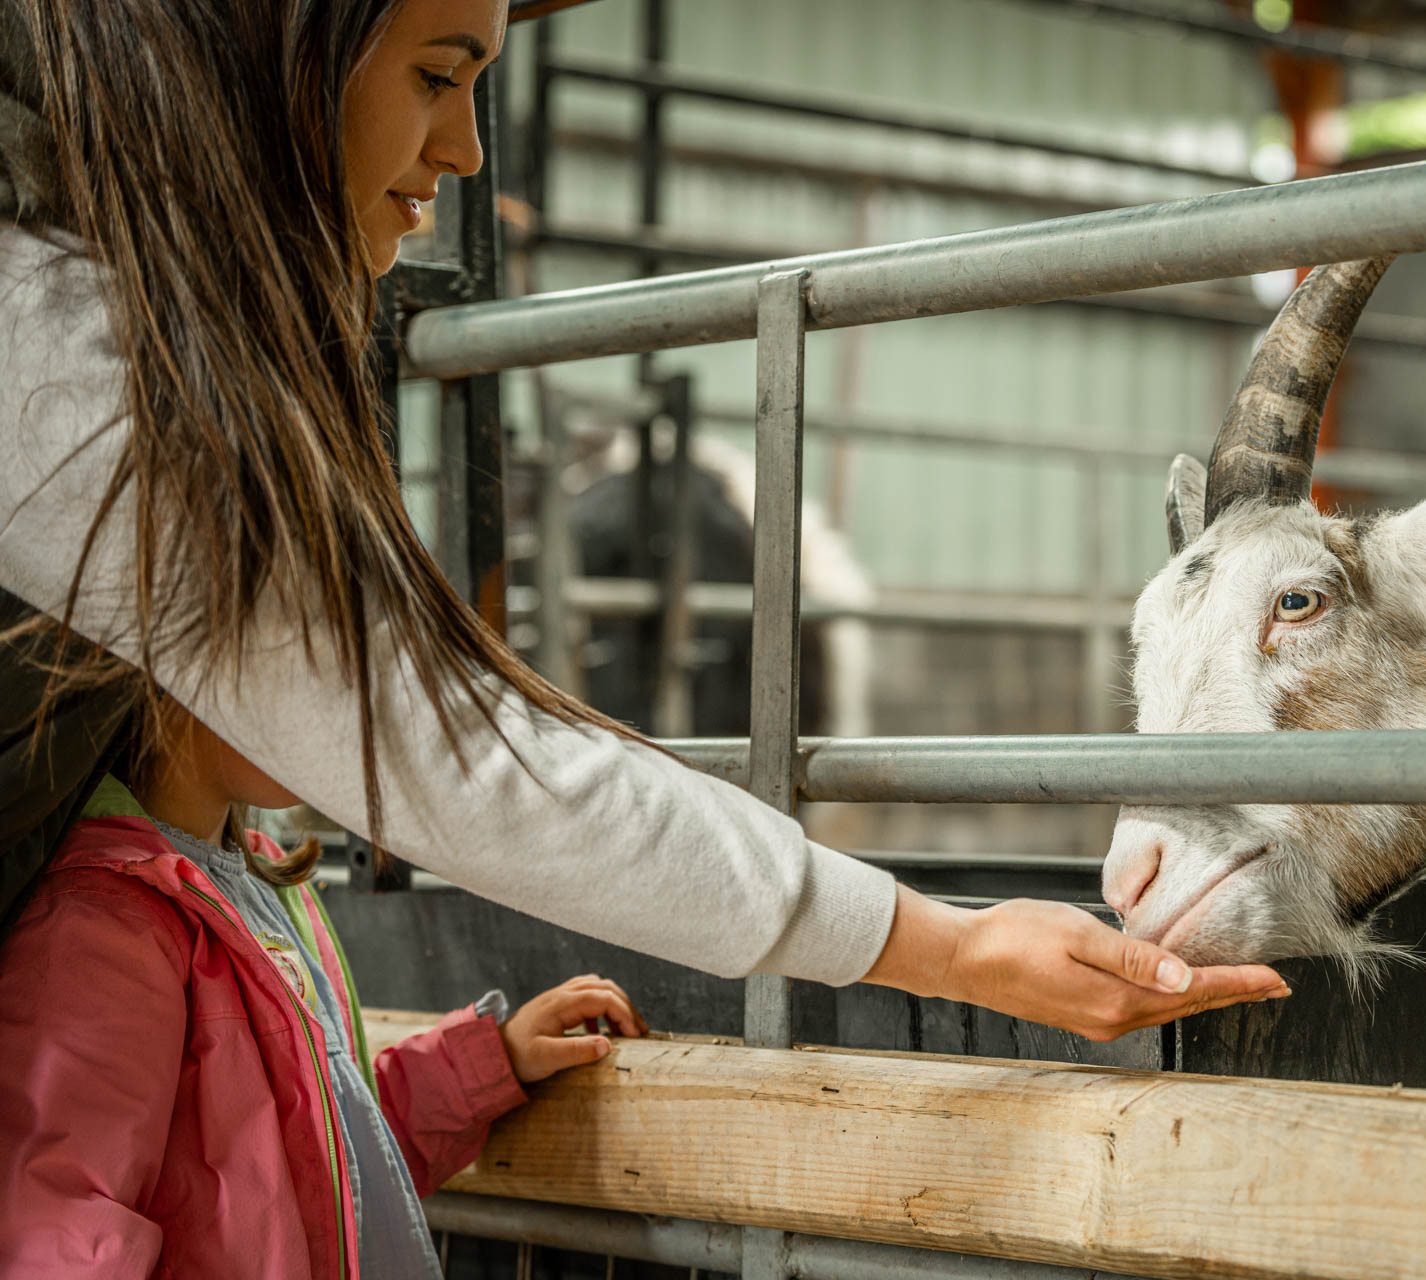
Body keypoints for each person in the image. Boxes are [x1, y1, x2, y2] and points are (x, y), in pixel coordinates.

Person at [0, 0, 1283, 1093]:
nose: (460, 148)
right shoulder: (54, 344)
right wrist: (942, 944)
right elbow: (460, 758)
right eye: (436, 75)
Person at [0, 697, 646, 1276]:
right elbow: (59, 1226)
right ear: (173, 674)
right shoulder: (100, 922)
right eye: (291, 667)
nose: (332, 700)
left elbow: (328, 1160)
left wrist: (485, 1066)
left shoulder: (266, 893)